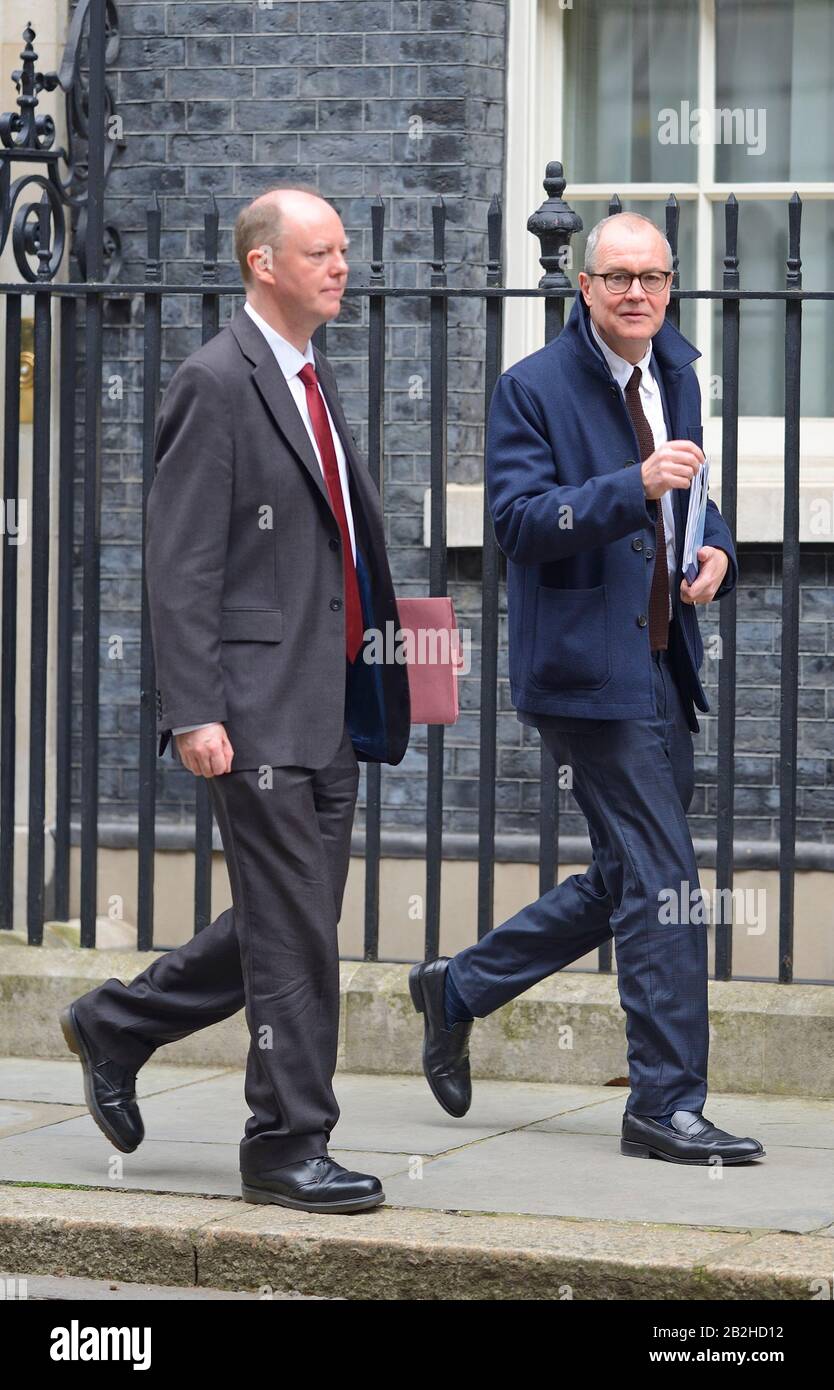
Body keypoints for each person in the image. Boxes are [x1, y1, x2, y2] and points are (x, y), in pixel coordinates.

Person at [60, 187, 410, 1213]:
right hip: (254, 707)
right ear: (264, 264)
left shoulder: (311, 374)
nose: (344, 265)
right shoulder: (217, 381)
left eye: (344, 249)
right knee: (298, 929)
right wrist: (194, 709)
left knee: (284, 920)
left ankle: (119, 1023)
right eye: (322, 251)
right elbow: (180, 566)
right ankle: (286, 1141)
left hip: (332, 698)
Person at [409, 211, 765, 1167]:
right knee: (666, 883)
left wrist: (719, 547)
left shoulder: (676, 371)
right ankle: (665, 1103)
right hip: (583, 675)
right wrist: (631, 484)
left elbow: (693, 490)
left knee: (626, 877)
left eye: (652, 276)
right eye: (618, 278)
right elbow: (519, 524)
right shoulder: (532, 389)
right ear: (584, 287)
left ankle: (458, 988)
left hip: (661, 658)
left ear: (671, 282)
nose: (637, 293)